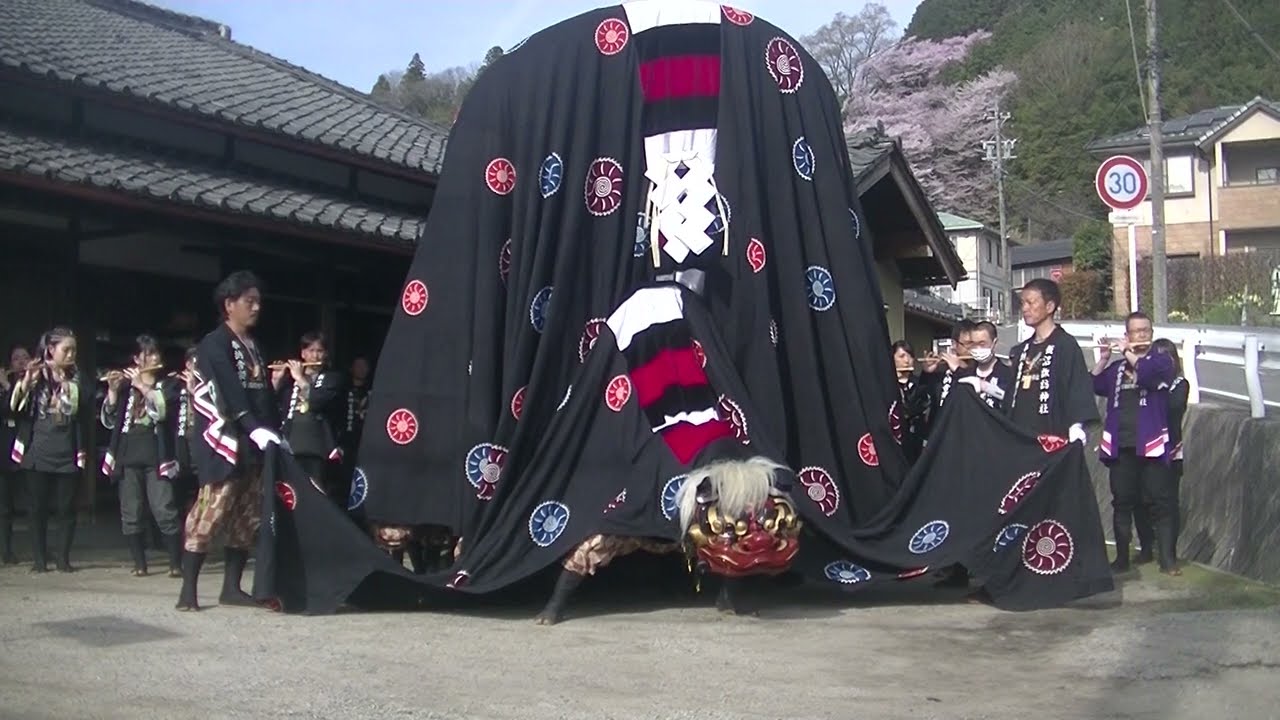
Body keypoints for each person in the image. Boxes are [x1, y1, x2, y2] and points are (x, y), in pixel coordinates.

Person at [176, 271, 285, 611]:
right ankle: (188, 590)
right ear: (229, 304)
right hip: (224, 438)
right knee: (212, 510)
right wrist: (250, 425)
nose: (256, 307)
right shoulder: (214, 343)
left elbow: (263, 394)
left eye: (258, 301)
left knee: (248, 514)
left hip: (255, 440)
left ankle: (232, 588)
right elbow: (227, 390)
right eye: (249, 301)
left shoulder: (255, 346)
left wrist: (274, 430)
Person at [1091, 313, 1176, 574]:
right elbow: (1093, 384)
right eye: (1135, 331)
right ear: (1127, 334)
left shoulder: (1161, 360)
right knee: (1123, 501)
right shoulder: (1117, 369)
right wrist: (1104, 359)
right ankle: (1122, 559)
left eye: (1145, 330)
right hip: (1122, 445)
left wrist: (1129, 352)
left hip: (1150, 443)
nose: (1141, 335)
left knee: (1160, 501)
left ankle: (1167, 560)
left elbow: (1149, 376)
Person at [99, 335, 182, 577]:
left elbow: (163, 412)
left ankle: (175, 563)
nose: (155, 358)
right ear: (136, 359)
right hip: (127, 455)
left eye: (156, 353)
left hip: (157, 455)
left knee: (164, 508)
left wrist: (143, 387)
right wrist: (113, 392)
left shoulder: (169, 384)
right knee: (131, 511)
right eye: (148, 353)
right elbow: (110, 421)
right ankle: (139, 563)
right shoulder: (126, 387)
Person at [7, 328, 88, 573]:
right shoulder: (37, 374)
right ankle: (40, 560)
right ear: (51, 350)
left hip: (67, 451)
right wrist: (27, 382)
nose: (71, 354)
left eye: (74, 349)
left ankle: (63, 559)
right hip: (37, 451)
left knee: (66, 509)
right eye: (66, 349)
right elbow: (14, 408)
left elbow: (79, 407)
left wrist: (66, 382)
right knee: (37, 508)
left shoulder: (77, 376)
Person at [1006, 279, 1100, 440]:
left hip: (1054, 434)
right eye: (1023, 303)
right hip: (1021, 436)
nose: (1025, 308)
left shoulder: (1065, 345)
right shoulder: (1020, 350)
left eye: (1030, 303)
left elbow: (1077, 386)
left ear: (1049, 306)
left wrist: (1076, 425)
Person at [274, 331, 343, 501]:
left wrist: (299, 377)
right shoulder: (289, 381)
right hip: (290, 439)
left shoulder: (332, 378)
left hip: (315, 442)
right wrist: (275, 382)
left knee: (314, 487)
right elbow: (271, 405)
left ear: (325, 354)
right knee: (287, 488)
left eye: (319, 351)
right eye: (310, 350)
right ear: (303, 353)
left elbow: (318, 400)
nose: (315, 355)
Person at [1151, 337, 1188, 575]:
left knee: (1168, 506)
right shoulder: (1144, 383)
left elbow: (1174, 408)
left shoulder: (1179, 384)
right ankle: (1144, 549)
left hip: (1170, 453)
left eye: (1168, 356)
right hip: (1144, 451)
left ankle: (1168, 559)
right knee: (1141, 503)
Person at [1, 344, 31, 564]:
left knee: (34, 501)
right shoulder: (5, 385)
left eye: (24, 358)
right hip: (5, 450)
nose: (20, 362)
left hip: (28, 447)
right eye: (16, 359)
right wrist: (4, 386)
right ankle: (6, 550)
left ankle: (39, 548)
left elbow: (21, 410)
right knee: (5, 505)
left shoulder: (35, 384)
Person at [956, 321, 1014, 412]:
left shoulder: (1007, 374)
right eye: (974, 344)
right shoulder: (967, 374)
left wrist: (986, 387)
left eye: (982, 344)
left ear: (994, 343)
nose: (978, 348)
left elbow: (1011, 400)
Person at [890, 341, 930, 465]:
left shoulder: (920, 383)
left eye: (910, 356)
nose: (907, 360)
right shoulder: (888, 385)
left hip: (918, 438)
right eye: (902, 356)